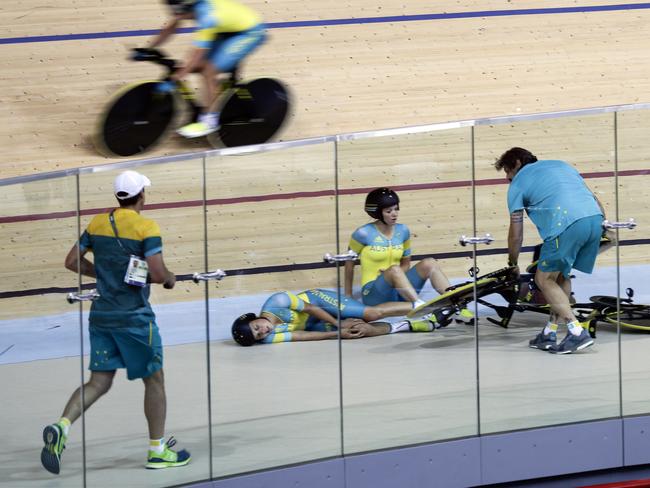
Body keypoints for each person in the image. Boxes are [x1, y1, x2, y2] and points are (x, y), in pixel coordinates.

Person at [40, 170, 190, 474]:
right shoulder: (146, 227)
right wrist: (171, 278)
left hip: (101, 316)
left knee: (98, 382)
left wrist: (103, 275)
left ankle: (62, 425)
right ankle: (157, 451)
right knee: (155, 381)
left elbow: (71, 261)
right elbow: (159, 275)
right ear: (142, 196)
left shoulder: (97, 223)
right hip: (134, 319)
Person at [494, 147, 607, 354]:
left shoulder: (517, 185)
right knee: (560, 277)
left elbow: (516, 234)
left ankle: (576, 332)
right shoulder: (562, 165)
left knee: (543, 279)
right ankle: (550, 332)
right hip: (595, 220)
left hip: (566, 226)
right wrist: (604, 226)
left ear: (517, 163)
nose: (509, 181)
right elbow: (593, 198)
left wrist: (512, 262)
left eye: (508, 175)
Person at [141, 0, 266, 138]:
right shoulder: (187, 6)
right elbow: (171, 27)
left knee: (208, 70)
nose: (173, 12)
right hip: (228, 28)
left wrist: (176, 77)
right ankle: (213, 94)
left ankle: (209, 121)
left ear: (186, 7)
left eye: (175, 9)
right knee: (193, 67)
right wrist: (148, 49)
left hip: (248, 33)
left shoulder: (207, 17)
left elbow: (197, 54)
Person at [344, 187, 473, 318]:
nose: (394, 214)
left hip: (398, 289)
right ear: (377, 213)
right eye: (389, 211)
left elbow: (406, 264)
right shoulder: (363, 233)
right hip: (373, 292)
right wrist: (348, 296)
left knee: (429, 263)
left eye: (396, 209)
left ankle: (457, 303)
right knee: (394, 269)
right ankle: (420, 307)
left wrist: (395, 276)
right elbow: (349, 264)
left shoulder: (403, 230)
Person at [231, 288, 438, 346]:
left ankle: (422, 306)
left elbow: (311, 308)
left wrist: (336, 322)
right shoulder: (268, 338)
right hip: (315, 324)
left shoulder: (276, 302)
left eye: (257, 326)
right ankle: (409, 325)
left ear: (254, 318)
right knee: (357, 330)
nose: (263, 331)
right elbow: (301, 336)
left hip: (319, 303)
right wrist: (339, 332)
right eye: (259, 335)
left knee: (371, 313)